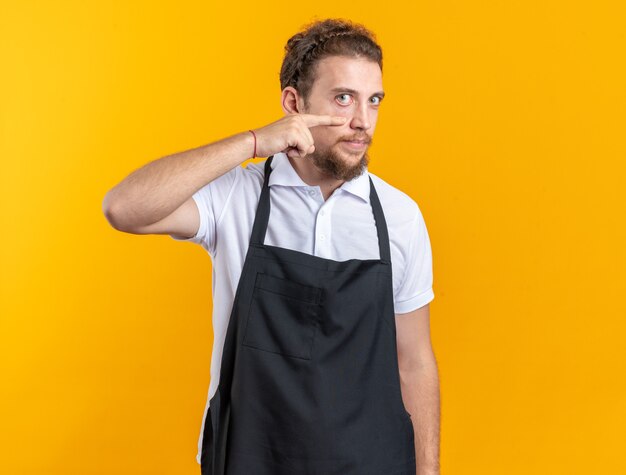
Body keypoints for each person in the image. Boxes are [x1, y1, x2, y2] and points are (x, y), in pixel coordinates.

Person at [103, 17, 440, 475]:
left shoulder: (399, 217)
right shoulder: (234, 198)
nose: (362, 122)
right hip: (248, 459)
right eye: (343, 98)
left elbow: (414, 362)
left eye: (373, 101)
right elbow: (123, 208)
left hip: (370, 463)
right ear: (293, 103)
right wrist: (256, 141)